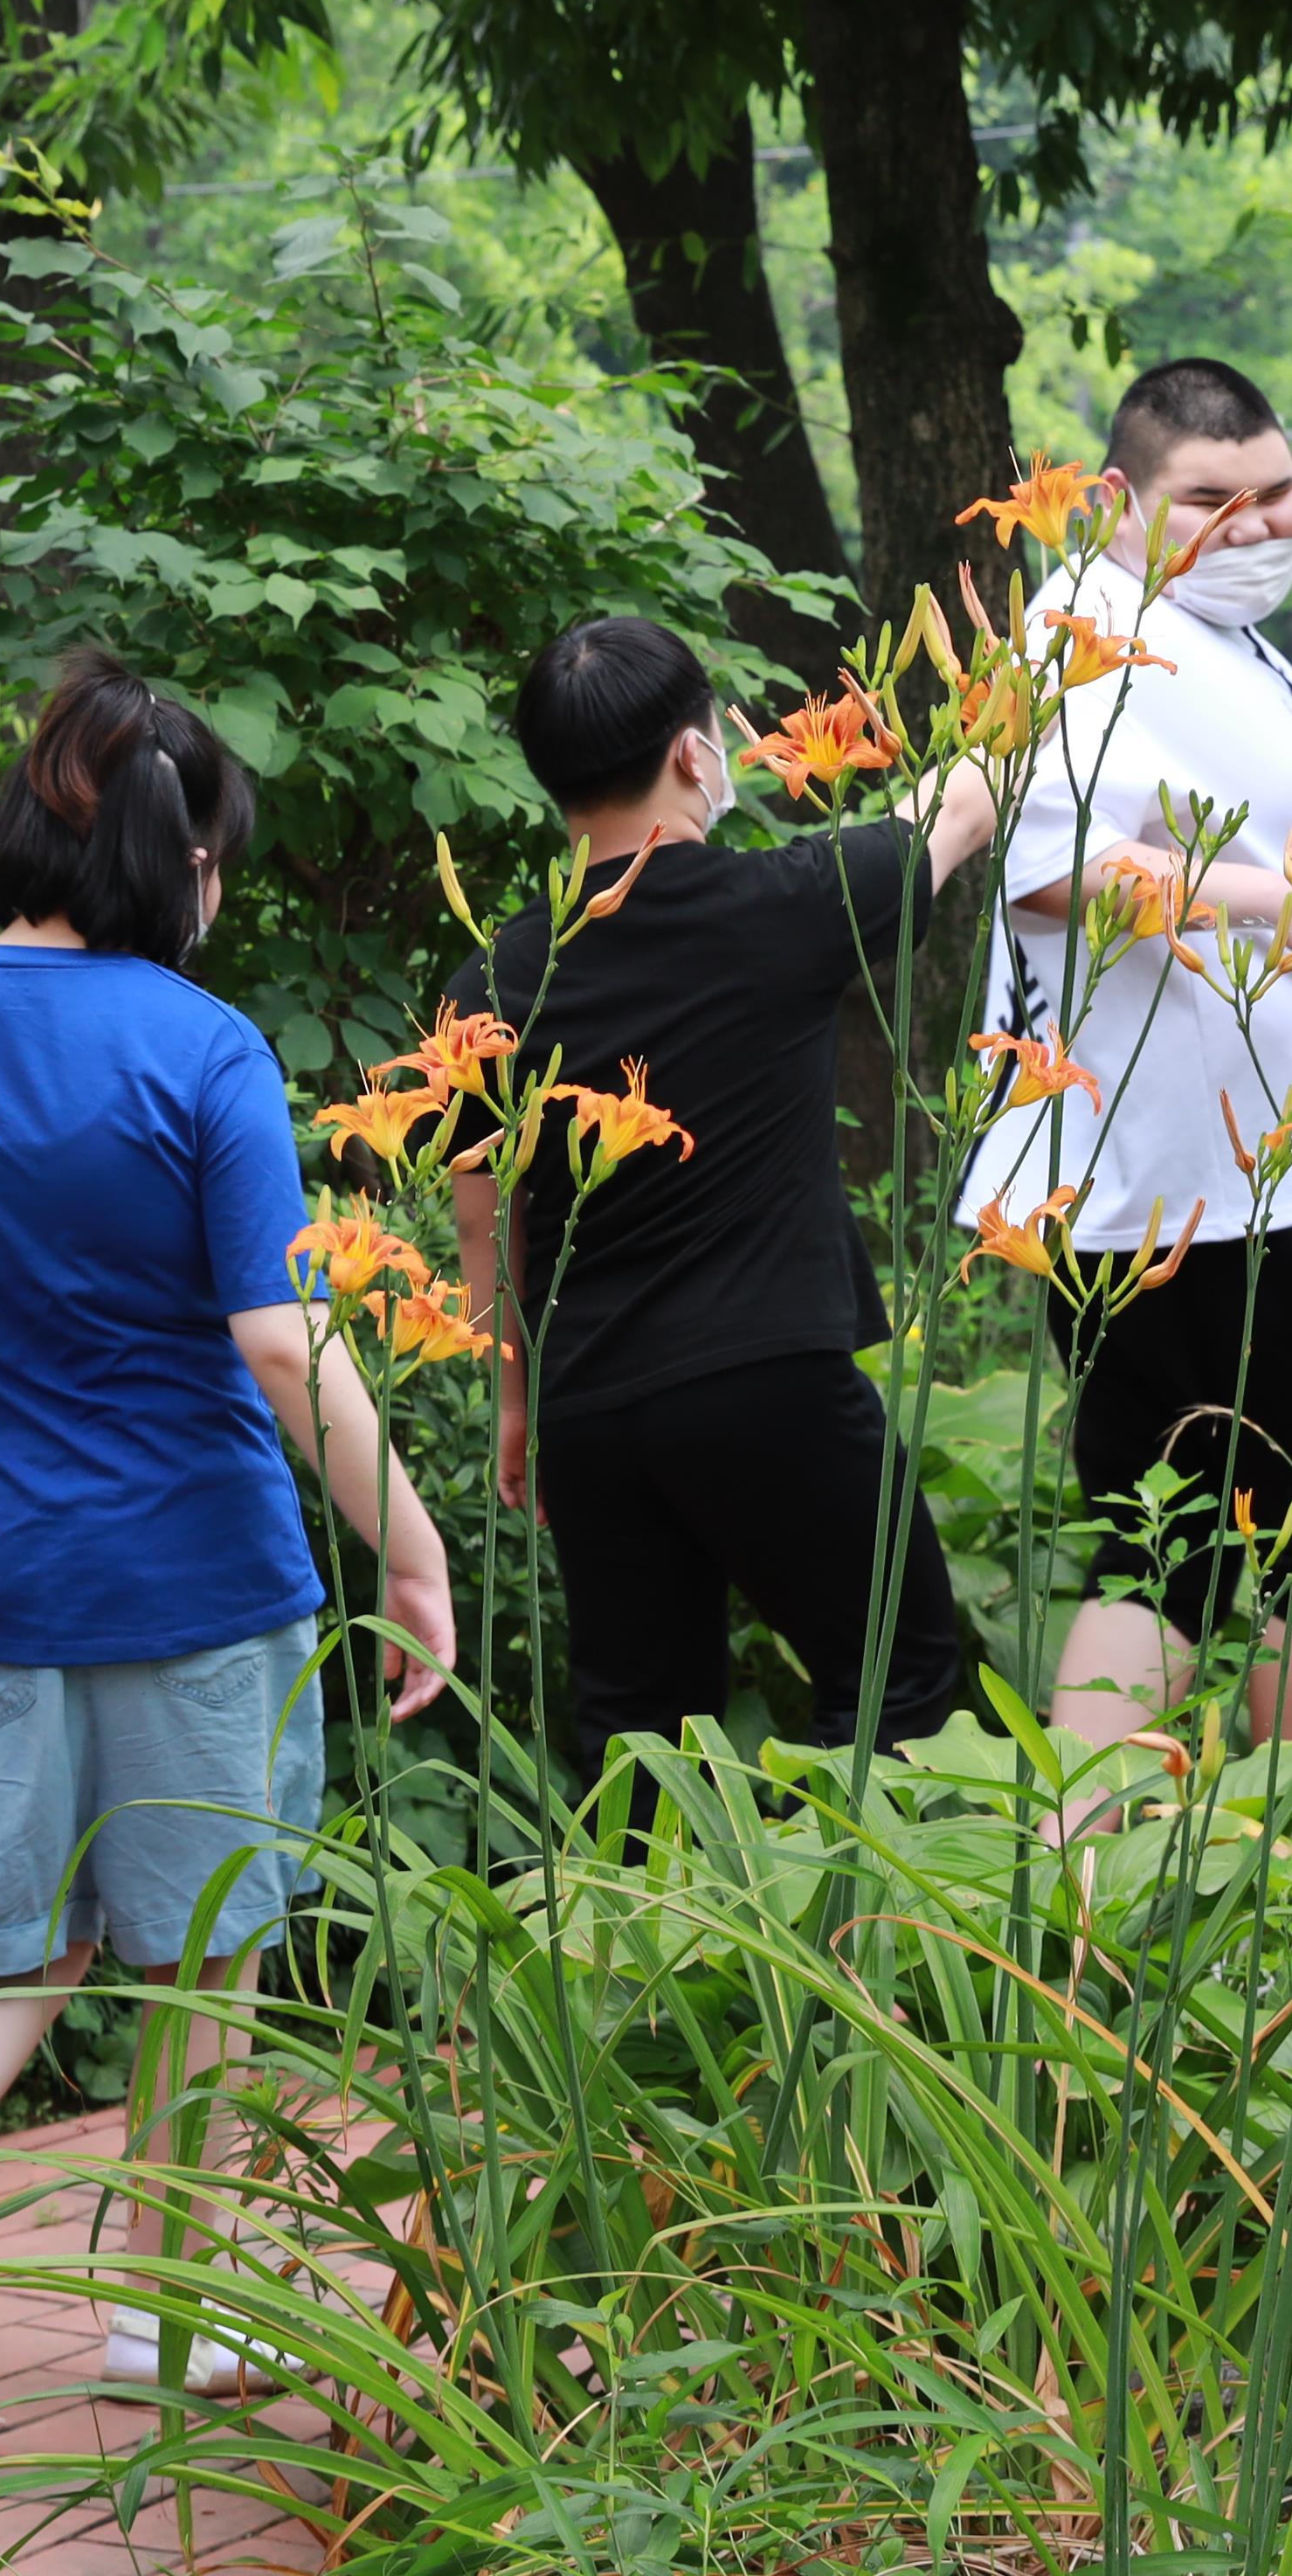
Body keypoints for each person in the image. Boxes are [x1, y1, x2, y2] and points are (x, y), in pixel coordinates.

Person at [0, 654, 458, 2414]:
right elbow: (278, 1335)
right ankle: (163, 2319)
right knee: (201, 1960)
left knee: (5, 1937)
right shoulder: (203, 1046)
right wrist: (410, 1544)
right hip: (200, 1577)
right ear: (187, 860)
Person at [440, 614, 1003, 1770]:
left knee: (638, 1740)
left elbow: (483, 1212)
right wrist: (1006, 695)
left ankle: (648, 1901)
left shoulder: (492, 980)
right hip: (768, 1385)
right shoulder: (787, 904)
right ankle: (855, 1895)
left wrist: (517, 1403)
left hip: (590, 1406)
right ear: (694, 755)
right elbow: (960, 807)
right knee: (896, 1683)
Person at [953, 358, 1292, 1749]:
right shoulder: (1081, 632)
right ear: (1116, 500)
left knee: (1179, 1542)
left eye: (1278, 493)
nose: (1258, 526)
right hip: (1214, 1180)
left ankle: (1117, 1852)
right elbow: (1048, 868)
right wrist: (1284, 903)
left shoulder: (1205, 632)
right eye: (1213, 498)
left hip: (1250, 1165)